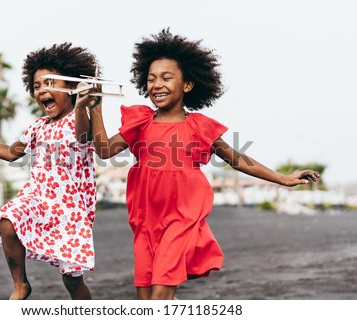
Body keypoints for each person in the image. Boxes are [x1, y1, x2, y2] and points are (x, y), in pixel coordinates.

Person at [75, 29, 320, 300]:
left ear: (187, 85)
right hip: (144, 221)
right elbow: (104, 149)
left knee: (159, 296)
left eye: (167, 78)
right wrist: (95, 109)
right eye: (151, 79)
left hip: (182, 217)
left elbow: (238, 159)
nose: (157, 85)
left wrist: (284, 179)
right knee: (144, 298)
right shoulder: (141, 122)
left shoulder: (199, 126)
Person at [0, 43, 99, 300]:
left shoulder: (79, 119)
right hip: (39, 197)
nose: (42, 90)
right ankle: (21, 285)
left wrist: (83, 104)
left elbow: (83, 135)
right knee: (8, 220)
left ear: (71, 87)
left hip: (71, 208)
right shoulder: (38, 126)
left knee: (72, 280)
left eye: (50, 83)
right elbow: (10, 152)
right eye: (37, 86)